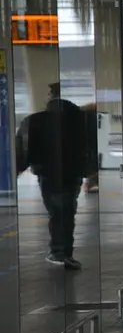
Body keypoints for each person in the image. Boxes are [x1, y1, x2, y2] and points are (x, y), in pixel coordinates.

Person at [16, 82, 97, 269]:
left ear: (51, 96)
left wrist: (18, 169)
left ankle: (59, 252)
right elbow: (94, 147)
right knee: (67, 211)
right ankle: (63, 251)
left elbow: (23, 149)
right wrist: (91, 172)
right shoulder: (85, 119)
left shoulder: (34, 120)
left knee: (58, 212)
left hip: (48, 174)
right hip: (73, 173)